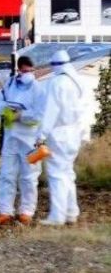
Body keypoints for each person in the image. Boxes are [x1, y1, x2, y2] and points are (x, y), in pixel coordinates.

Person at [0, 55, 44, 225]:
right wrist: (7, 113)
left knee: (29, 177)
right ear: (19, 69)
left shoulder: (38, 89)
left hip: (30, 140)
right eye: (23, 70)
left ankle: (26, 211)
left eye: (29, 70)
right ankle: (5, 211)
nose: (26, 73)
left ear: (34, 70)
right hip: (10, 137)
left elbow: (39, 115)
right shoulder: (10, 84)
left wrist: (21, 115)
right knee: (7, 175)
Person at [36, 50, 85, 226]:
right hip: (74, 133)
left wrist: (41, 135)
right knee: (67, 172)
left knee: (57, 175)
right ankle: (71, 212)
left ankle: (57, 216)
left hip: (59, 134)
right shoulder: (77, 81)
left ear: (55, 65)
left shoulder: (57, 83)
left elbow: (51, 112)